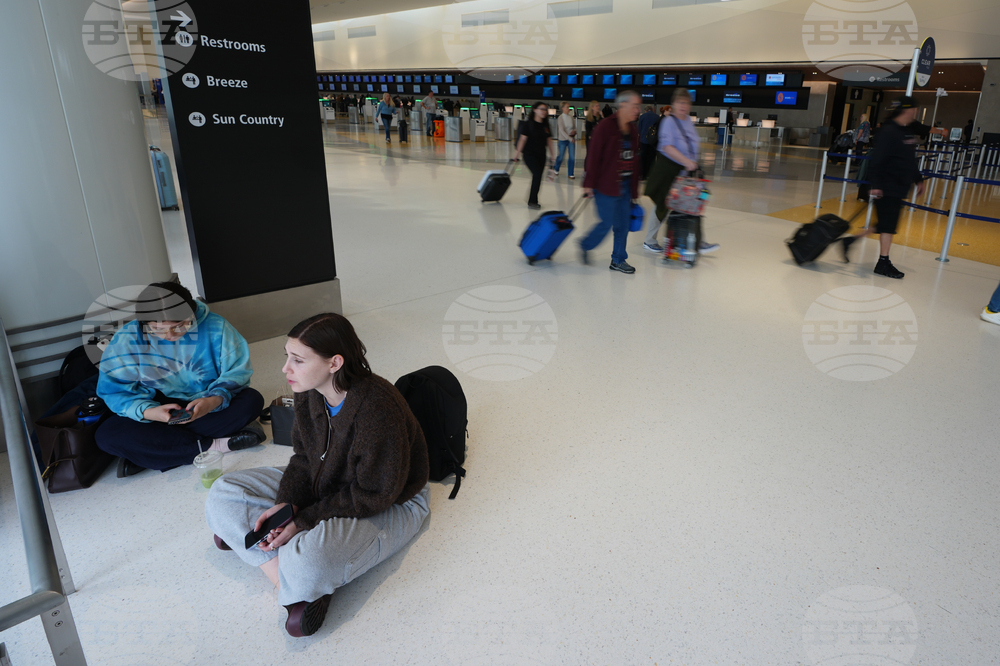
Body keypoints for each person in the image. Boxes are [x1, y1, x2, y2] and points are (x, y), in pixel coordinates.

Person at [205, 313, 430, 638]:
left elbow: (375, 493)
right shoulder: (309, 390)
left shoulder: (377, 409)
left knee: (307, 557)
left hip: (391, 502)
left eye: (297, 359)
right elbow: (303, 458)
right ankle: (292, 585)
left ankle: (282, 566)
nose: (285, 368)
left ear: (334, 362)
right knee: (223, 492)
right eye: (287, 356)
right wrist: (286, 506)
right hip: (331, 481)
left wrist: (303, 519)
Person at [95, 282, 265, 478]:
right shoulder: (126, 340)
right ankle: (216, 445)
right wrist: (149, 412)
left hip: (206, 403)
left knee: (251, 401)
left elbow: (237, 372)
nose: (169, 335)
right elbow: (115, 391)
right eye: (157, 329)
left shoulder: (217, 328)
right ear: (144, 323)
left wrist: (212, 401)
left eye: (179, 326)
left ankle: (154, 453)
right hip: (156, 408)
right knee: (107, 435)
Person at [840, 96, 925, 278]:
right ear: (907, 110)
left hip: (898, 185)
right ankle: (883, 263)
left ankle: (850, 241)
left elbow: (909, 159)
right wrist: (876, 185)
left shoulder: (905, 131)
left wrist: (919, 179)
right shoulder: (889, 131)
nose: (915, 115)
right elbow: (877, 160)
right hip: (887, 185)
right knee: (888, 226)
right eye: (914, 111)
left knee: (885, 224)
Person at [643, 88, 719, 254]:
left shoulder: (687, 121)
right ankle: (649, 240)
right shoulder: (669, 122)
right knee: (663, 205)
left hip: (686, 173)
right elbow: (667, 146)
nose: (683, 106)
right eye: (680, 102)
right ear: (674, 104)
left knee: (692, 205)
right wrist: (687, 161)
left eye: (686, 103)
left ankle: (695, 241)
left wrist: (692, 164)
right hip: (669, 170)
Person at [579, 90, 641, 274]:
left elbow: (635, 160)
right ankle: (585, 244)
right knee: (606, 223)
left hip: (625, 186)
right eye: (634, 105)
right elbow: (593, 156)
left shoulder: (633, 129)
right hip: (605, 185)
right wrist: (589, 183)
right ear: (622, 105)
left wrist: (634, 190)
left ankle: (618, 260)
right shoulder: (605, 126)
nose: (637, 110)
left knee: (622, 225)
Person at [513, 101, 556, 210]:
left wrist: (552, 155)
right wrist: (517, 154)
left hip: (541, 155)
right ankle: (532, 201)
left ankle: (532, 198)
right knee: (537, 174)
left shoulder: (545, 126)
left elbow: (549, 140)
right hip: (529, 154)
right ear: (534, 110)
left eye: (545, 110)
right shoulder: (528, 124)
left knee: (538, 177)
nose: (544, 112)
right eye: (541, 109)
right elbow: (523, 139)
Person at [553, 102, 578, 180]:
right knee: (561, 157)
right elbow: (561, 130)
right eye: (567, 107)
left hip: (571, 139)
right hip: (563, 140)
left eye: (569, 107)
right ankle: (556, 168)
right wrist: (569, 138)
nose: (568, 109)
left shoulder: (571, 117)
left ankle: (571, 173)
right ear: (562, 108)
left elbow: (574, 127)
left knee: (572, 157)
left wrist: (574, 131)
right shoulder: (560, 118)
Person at [637, 105, 660, 180]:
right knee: (652, 158)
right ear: (652, 110)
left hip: (643, 140)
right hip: (653, 141)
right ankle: (650, 175)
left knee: (643, 158)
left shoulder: (642, 116)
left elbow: (639, 128)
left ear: (646, 110)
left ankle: (643, 175)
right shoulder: (657, 117)